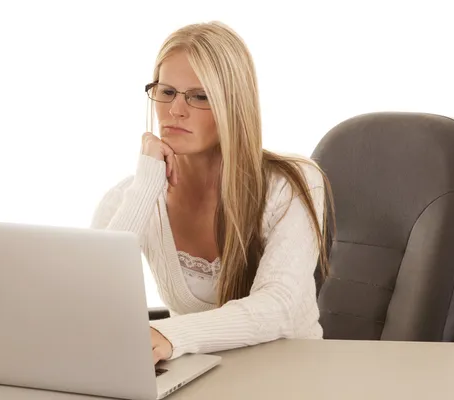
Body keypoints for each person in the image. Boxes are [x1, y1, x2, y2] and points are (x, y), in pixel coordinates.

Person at [91, 21, 335, 365]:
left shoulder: (291, 183)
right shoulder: (129, 197)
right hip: (194, 372)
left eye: (200, 96)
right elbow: (89, 297)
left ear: (233, 105)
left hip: (291, 372)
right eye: (167, 91)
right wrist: (147, 184)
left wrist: (172, 335)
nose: (175, 110)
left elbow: (278, 306)